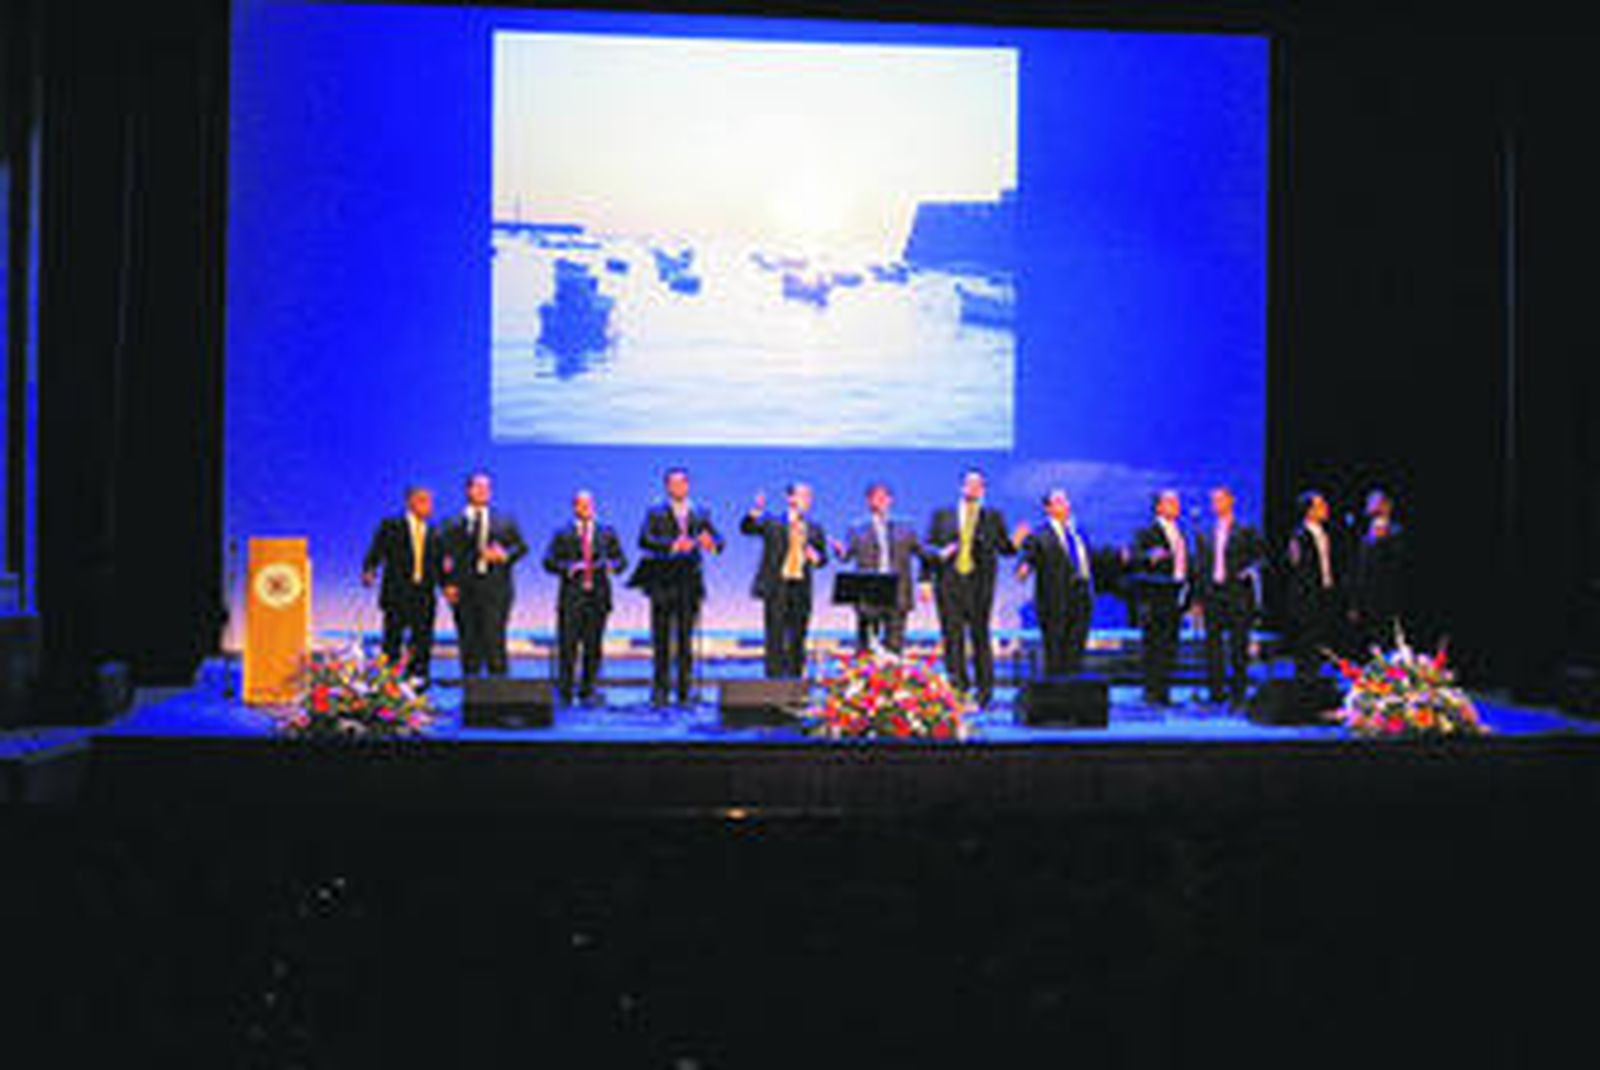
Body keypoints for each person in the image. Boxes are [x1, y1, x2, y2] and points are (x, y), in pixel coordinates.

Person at [926, 468, 1023, 706]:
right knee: (952, 637)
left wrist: (1016, 542)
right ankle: (958, 688)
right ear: (961, 487)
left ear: (984, 490)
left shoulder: (993, 517)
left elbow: (1005, 549)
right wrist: (924, 580)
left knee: (980, 636)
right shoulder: (942, 515)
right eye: (970, 484)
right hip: (949, 583)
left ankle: (984, 691)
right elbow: (928, 548)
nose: (974, 488)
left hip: (980, 585)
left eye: (979, 485)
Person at [637, 466, 724, 706]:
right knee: (662, 641)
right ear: (667, 487)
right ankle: (660, 691)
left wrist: (710, 543)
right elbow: (644, 540)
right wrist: (672, 545)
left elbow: (719, 541)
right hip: (663, 583)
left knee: (686, 641)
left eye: (682, 483)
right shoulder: (655, 512)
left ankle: (685, 691)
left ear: (688, 485)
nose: (678, 487)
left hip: (689, 584)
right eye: (673, 483)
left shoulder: (700, 513)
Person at [541, 490, 627, 705]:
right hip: (572, 598)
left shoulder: (607, 532)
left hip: (598, 597)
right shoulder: (563, 533)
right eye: (580, 504)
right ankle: (565, 690)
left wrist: (612, 566)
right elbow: (548, 561)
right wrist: (568, 567)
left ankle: (588, 690)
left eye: (588, 504)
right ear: (574, 507)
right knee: (568, 646)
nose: (585, 508)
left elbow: (621, 561)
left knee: (593, 646)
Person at [441, 471, 528, 677]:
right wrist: (447, 584)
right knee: (469, 643)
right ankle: (472, 690)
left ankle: (498, 691)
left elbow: (521, 547)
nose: (483, 491)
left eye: (487, 487)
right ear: (468, 490)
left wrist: (504, 555)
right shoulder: (452, 523)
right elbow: (442, 557)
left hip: (496, 590)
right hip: (465, 591)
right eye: (478, 487)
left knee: (494, 641)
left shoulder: (505, 520)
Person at [740, 482, 828, 678]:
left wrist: (816, 558)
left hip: (801, 587)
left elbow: (823, 559)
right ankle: (774, 682)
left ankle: (795, 680)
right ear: (790, 499)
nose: (807, 501)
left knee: (798, 636)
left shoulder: (814, 528)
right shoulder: (773, 522)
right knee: (775, 636)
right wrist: (755, 512)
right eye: (803, 496)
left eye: (809, 497)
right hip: (777, 586)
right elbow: (747, 529)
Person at [360, 485, 444, 686]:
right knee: (393, 639)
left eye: (430, 501)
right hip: (397, 593)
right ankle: (389, 681)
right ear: (411, 503)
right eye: (423, 501)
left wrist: (447, 585)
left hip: (424, 593)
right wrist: (370, 570)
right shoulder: (391, 526)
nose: (429, 506)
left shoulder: (434, 531)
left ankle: (419, 679)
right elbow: (376, 551)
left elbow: (439, 563)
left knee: (422, 639)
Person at [832, 481, 925, 654]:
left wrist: (941, 554)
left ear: (890, 500)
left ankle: (893, 668)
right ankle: (866, 668)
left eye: (884, 497)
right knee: (867, 642)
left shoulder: (905, 528)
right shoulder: (857, 528)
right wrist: (839, 550)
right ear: (868, 501)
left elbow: (923, 552)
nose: (880, 501)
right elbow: (846, 556)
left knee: (895, 641)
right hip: (869, 589)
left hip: (897, 588)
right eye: (876, 497)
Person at [1193, 486, 1264, 706]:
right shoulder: (1206, 532)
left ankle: (1238, 692)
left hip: (1237, 593)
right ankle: (1216, 692)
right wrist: (1197, 599)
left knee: (1238, 644)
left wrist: (1248, 571)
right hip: (1213, 593)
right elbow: (1200, 567)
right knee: (1213, 645)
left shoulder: (1245, 529)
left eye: (1221, 499)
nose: (1217, 504)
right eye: (1214, 500)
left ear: (1231, 501)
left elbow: (1260, 557)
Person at [1017, 488, 1095, 677]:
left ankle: (1074, 689)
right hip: (1055, 601)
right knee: (1055, 651)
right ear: (1048, 508)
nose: (1065, 505)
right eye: (1059, 502)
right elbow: (1028, 556)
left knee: (1076, 648)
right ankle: (1055, 690)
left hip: (1081, 597)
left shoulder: (1078, 533)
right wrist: (1024, 567)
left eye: (1066, 501)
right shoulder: (1040, 535)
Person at [1132, 489, 1191, 705]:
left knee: (1170, 644)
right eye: (1170, 502)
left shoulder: (1181, 532)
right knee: (1154, 645)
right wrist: (1150, 557)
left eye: (1176, 502)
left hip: (1176, 595)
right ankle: (1152, 691)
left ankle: (1164, 691)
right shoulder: (1147, 533)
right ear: (1158, 507)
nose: (1175, 505)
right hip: (1156, 597)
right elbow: (1135, 558)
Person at [1286, 488, 1341, 687]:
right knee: (1306, 639)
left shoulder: (1325, 533)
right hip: (1307, 595)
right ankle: (1305, 679)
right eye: (1320, 506)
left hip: (1323, 591)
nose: (1325, 509)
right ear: (1308, 511)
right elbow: (1298, 567)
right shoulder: (1300, 535)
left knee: (1320, 636)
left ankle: (1316, 676)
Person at [1351, 487, 1407, 650]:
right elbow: (1360, 569)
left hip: (1390, 598)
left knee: (1390, 639)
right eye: (1369, 502)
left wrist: (1382, 540)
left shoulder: (1395, 532)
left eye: (1374, 502)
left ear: (1386, 506)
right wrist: (1355, 602)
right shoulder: (1364, 534)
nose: (1369, 506)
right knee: (1372, 643)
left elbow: (1398, 564)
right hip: (1368, 599)